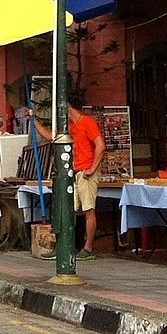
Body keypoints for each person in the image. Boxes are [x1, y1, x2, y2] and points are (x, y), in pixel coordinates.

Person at [68, 97, 105, 259]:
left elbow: (100, 145)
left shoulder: (87, 122)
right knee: (72, 209)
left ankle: (88, 247)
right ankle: (73, 244)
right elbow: (51, 136)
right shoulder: (71, 126)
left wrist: (92, 168)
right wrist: (34, 122)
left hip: (86, 171)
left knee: (88, 209)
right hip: (77, 171)